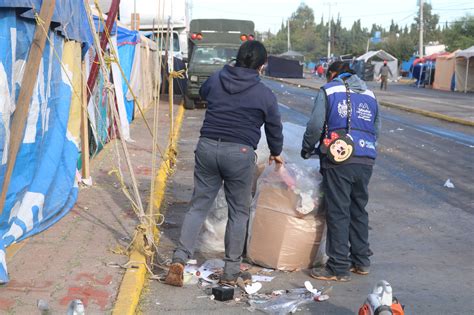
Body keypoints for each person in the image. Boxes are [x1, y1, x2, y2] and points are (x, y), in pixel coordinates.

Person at [165, 40, 284, 287]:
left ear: (237, 58)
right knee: (238, 212)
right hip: (239, 153)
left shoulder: (218, 77)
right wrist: (276, 151)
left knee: (198, 206)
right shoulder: (264, 93)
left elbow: (204, 92)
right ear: (262, 66)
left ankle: (179, 258)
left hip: (208, 146)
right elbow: (274, 126)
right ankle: (230, 271)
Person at [301, 61, 381, 282]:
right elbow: (376, 130)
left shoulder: (329, 90)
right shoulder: (370, 95)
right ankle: (361, 261)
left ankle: (337, 267)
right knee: (358, 208)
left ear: (333, 74)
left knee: (338, 211)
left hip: (339, 159)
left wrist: (307, 148)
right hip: (366, 159)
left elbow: (316, 126)